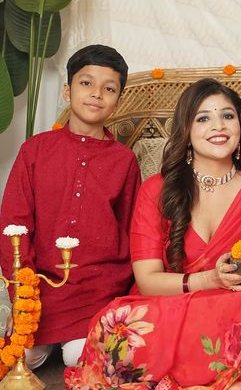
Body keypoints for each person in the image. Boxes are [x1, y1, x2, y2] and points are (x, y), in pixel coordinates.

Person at [64, 78, 241, 390]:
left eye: (228, 116)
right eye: (203, 118)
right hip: (168, 308)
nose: (218, 126)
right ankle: (220, 379)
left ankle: (191, 377)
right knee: (119, 323)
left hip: (235, 312)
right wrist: (209, 280)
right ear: (186, 132)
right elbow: (148, 280)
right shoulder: (157, 191)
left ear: (240, 126)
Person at [0, 45, 141, 369]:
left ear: (118, 100)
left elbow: (132, 232)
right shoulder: (35, 151)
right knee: (24, 358)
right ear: (67, 90)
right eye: (86, 83)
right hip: (42, 289)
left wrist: (127, 301)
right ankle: (45, 340)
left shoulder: (123, 161)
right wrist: (23, 293)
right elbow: (13, 225)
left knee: (78, 356)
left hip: (98, 290)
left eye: (109, 89)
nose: (96, 94)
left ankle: (75, 341)